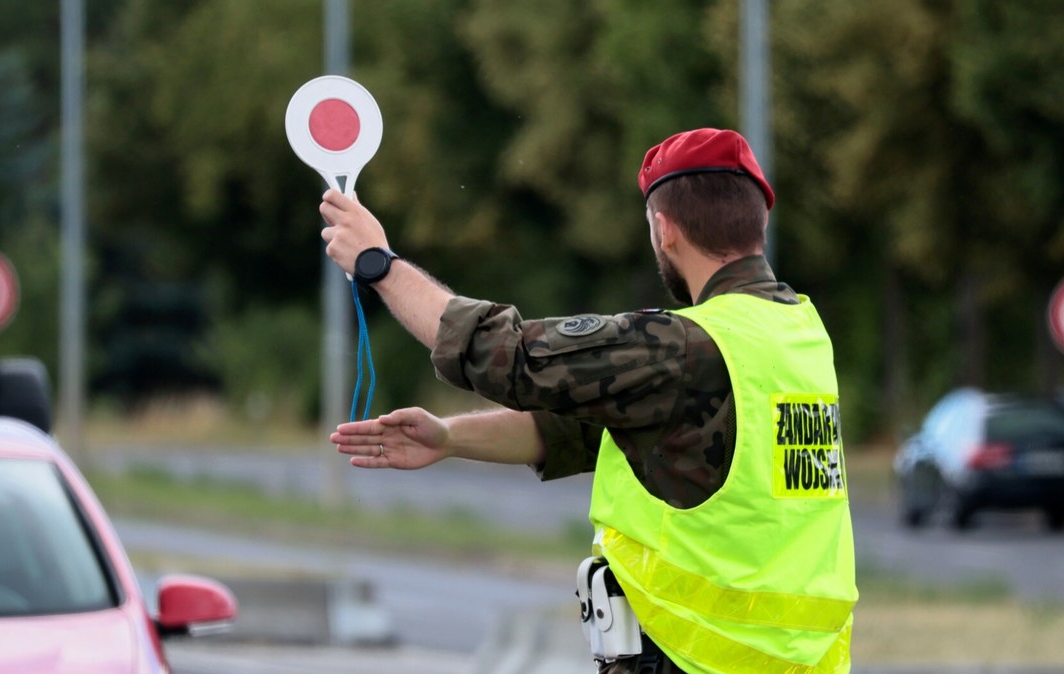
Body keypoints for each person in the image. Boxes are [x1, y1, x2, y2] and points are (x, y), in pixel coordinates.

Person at [320, 128, 857, 674]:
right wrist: (451, 437)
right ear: (758, 224)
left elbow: (506, 355)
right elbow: (591, 431)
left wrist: (378, 266)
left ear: (664, 229)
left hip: (695, 661)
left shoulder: (684, 345)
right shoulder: (800, 336)